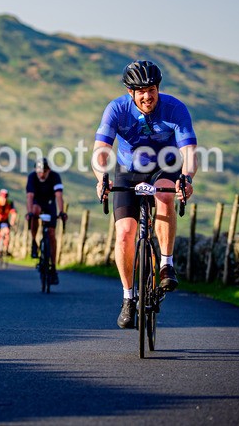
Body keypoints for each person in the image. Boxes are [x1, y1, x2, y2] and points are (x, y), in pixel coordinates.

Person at [93, 60, 197, 329]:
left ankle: (166, 263)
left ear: (158, 88)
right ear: (131, 93)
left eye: (151, 89)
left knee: (164, 197)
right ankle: (128, 298)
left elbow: (189, 152)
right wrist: (101, 177)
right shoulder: (116, 109)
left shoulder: (175, 108)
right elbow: (101, 148)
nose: (147, 96)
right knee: (126, 233)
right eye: (140, 91)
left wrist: (186, 178)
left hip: (166, 166)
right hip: (128, 170)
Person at [26, 158, 66, 285]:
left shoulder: (55, 177)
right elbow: (30, 196)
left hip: (50, 205)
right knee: (34, 211)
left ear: (48, 170)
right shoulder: (32, 177)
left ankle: (53, 268)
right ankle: (33, 241)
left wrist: (62, 211)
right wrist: (29, 212)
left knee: (52, 235)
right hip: (37, 203)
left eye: (43, 172)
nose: (41, 175)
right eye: (39, 172)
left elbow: (59, 195)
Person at [0, 189, 17, 257]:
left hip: (5, 220)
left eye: (5, 197)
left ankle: (6, 249)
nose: (4, 199)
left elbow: (14, 213)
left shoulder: (10, 203)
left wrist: (12, 221)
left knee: (7, 232)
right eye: (2, 197)